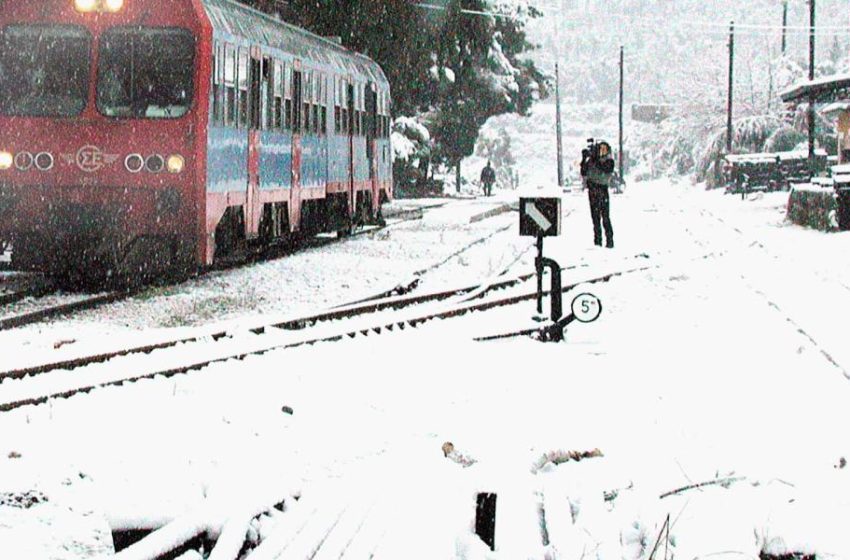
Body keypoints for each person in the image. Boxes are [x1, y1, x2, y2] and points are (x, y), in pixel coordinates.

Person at [581, 140, 615, 248]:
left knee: (605, 218)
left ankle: (609, 241)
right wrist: (584, 159)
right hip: (593, 190)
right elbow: (584, 172)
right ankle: (597, 242)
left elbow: (605, 169)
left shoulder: (609, 161)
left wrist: (593, 159)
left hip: (602, 190)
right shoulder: (591, 161)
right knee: (595, 219)